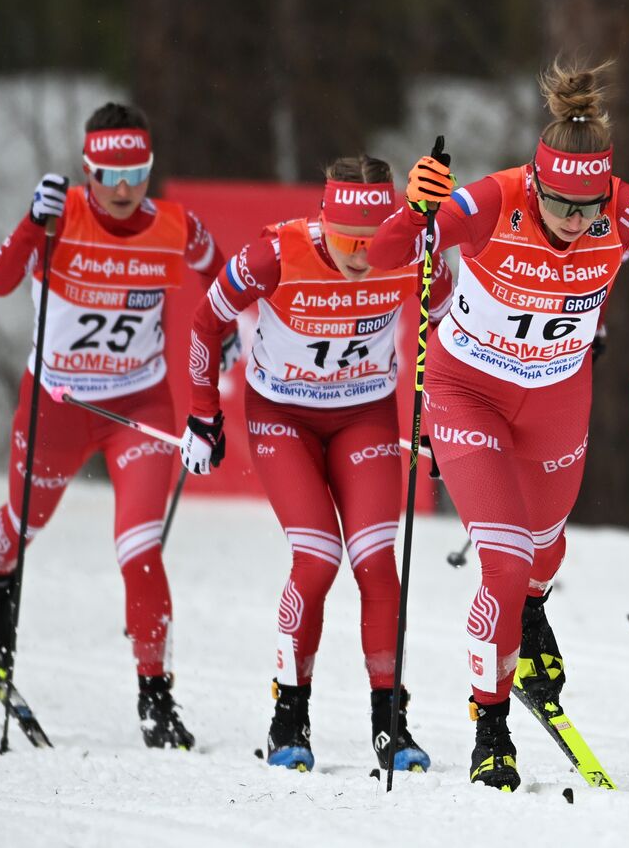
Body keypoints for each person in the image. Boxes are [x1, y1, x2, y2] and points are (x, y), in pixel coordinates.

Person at [368, 59, 629, 791]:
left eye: (587, 206)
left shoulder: (623, 209)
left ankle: (529, 620)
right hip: (470, 392)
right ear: (536, 182)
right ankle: (490, 727)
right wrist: (414, 207)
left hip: (557, 396)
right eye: (559, 202)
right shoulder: (496, 199)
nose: (574, 220)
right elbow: (382, 256)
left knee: (545, 550)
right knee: (503, 557)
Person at [0, 102, 237, 749]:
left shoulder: (177, 225)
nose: (123, 190)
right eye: (109, 175)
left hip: (138, 408)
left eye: (138, 173)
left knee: (140, 549)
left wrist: (224, 329)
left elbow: (222, 272)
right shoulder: (59, 219)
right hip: (56, 405)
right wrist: (31, 224)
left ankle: (156, 698)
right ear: (87, 170)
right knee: (23, 526)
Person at [181, 154, 454, 772]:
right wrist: (203, 415)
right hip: (284, 418)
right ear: (322, 222)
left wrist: (437, 421)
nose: (362, 255)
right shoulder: (273, 256)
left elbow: (447, 331)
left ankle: (391, 722)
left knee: (376, 564)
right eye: (347, 240)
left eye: (375, 240)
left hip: (365, 416)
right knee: (318, 558)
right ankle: (289, 717)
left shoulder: (415, 251)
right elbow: (205, 322)